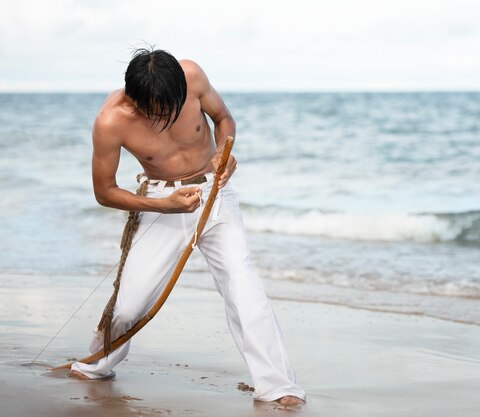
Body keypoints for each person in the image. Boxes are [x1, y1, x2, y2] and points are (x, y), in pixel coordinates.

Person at [68, 48, 306, 407]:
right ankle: (98, 363)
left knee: (244, 290)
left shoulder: (192, 76)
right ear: (137, 99)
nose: (170, 113)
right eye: (160, 108)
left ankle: (278, 386)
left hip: (215, 195)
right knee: (130, 307)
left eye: (175, 104)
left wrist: (223, 153)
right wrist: (163, 206)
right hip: (161, 202)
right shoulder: (110, 121)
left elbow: (224, 119)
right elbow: (104, 191)